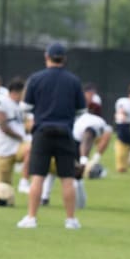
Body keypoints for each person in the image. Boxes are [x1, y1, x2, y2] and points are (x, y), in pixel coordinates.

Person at [17, 42, 85, 229]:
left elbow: (25, 108)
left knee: (38, 176)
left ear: (46, 56)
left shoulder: (36, 78)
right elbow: (81, 110)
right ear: (64, 59)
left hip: (42, 132)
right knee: (67, 178)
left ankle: (31, 218)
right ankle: (70, 220)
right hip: (65, 133)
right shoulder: (73, 81)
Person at [0, 77, 30, 185]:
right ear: (17, 92)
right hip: (3, 148)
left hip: (19, 147)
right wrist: (20, 137)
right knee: (4, 186)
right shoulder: (0, 100)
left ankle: (24, 182)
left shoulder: (21, 106)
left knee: (32, 150)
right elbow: (3, 125)